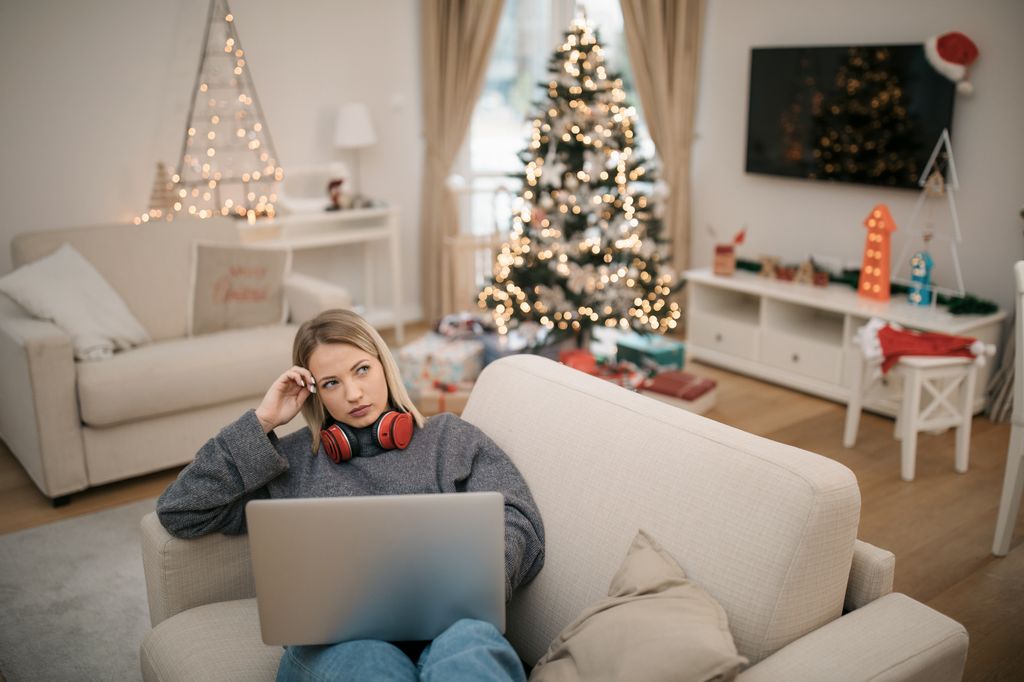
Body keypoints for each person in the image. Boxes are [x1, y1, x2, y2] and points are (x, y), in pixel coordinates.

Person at [156, 309, 545, 681]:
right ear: (314, 394)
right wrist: (261, 424)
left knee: (472, 650)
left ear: (384, 365)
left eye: (362, 370)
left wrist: (474, 582)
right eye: (331, 383)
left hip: (450, 627)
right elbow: (181, 511)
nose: (354, 394)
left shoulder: (449, 438)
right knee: (372, 666)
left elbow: (518, 517)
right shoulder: (287, 461)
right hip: (336, 645)